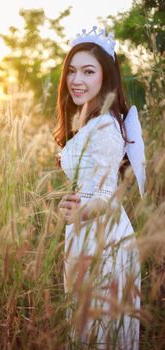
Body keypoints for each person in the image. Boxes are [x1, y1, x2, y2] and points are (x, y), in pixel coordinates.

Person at [53, 27, 146, 349]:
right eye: (72, 71)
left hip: (102, 239)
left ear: (106, 78)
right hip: (87, 232)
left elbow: (107, 197)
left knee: (99, 331)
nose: (76, 80)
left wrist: (77, 212)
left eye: (88, 72)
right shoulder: (93, 120)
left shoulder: (104, 125)